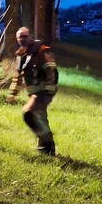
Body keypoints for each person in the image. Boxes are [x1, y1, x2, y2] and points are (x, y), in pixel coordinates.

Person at [8, 27, 59, 155]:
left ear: (31, 36)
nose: (22, 39)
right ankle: (45, 147)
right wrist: (12, 94)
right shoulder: (21, 55)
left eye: (25, 36)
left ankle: (47, 145)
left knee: (29, 113)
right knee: (39, 117)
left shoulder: (42, 51)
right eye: (19, 37)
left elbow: (52, 71)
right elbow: (18, 77)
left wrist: (48, 93)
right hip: (35, 93)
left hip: (43, 92)